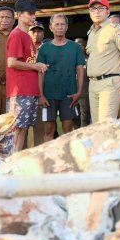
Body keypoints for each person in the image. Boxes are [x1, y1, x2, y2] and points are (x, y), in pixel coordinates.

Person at [6, 0, 48, 153]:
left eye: (34, 13)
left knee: (23, 128)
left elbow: (26, 62)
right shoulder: (17, 34)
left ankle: (15, 159)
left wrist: (38, 66)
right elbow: (11, 62)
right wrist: (35, 66)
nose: (33, 17)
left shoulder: (26, 36)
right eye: (30, 13)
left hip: (29, 89)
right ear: (19, 15)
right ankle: (10, 160)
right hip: (19, 90)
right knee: (16, 128)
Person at [38, 14, 85, 142]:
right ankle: (49, 158)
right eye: (56, 24)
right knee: (49, 128)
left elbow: (80, 69)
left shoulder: (75, 47)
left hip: (69, 94)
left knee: (68, 128)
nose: (59, 27)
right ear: (51, 27)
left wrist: (79, 91)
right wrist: (41, 95)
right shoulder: (44, 48)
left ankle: (68, 158)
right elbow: (40, 72)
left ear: (67, 27)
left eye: (62, 24)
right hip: (49, 95)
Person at [86, 0, 120, 122]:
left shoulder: (116, 29)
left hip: (110, 82)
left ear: (108, 11)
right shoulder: (91, 32)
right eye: (93, 9)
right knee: (97, 127)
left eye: (100, 8)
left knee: (105, 125)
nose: (96, 11)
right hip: (93, 83)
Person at [29, 22, 47, 146]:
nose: (36, 34)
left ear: (43, 33)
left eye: (39, 31)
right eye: (33, 31)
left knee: (43, 125)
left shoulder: (48, 48)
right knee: (24, 125)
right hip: (26, 90)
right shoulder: (24, 47)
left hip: (44, 90)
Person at [74, 38, 91, 127]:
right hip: (73, 92)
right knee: (74, 116)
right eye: (77, 45)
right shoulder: (71, 58)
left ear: (85, 47)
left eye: (81, 45)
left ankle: (85, 135)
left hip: (85, 92)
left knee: (85, 116)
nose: (79, 47)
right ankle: (77, 132)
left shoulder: (89, 59)